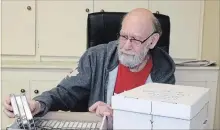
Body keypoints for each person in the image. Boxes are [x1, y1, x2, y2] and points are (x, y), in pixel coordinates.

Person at [3, 8, 175, 118]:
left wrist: (120, 115)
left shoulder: (164, 70)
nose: (126, 46)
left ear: (152, 41)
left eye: (136, 39)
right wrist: (38, 104)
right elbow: (65, 93)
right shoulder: (96, 57)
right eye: (123, 36)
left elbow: (163, 118)